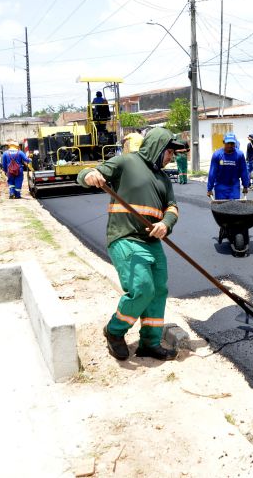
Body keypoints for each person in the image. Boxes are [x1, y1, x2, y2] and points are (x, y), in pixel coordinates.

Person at [77, 127, 184, 361]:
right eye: (169, 152)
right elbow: (89, 173)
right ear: (157, 147)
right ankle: (114, 332)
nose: (171, 157)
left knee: (158, 292)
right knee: (142, 289)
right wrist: (89, 175)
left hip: (152, 242)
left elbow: (172, 207)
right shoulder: (126, 162)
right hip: (125, 237)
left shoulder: (164, 178)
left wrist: (166, 224)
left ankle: (150, 343)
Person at [207, 133, 249, 200]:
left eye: (232, 143)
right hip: (220, 186)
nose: (230, 145)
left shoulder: (239, 155)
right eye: (228, 143)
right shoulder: (217, 155)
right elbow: (212, 172)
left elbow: (243, 171)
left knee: (234, 207)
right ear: (224, 142)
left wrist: (245, 185)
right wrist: (209, 188)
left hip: (234, 186)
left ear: (235, 143)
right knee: (221, 208)